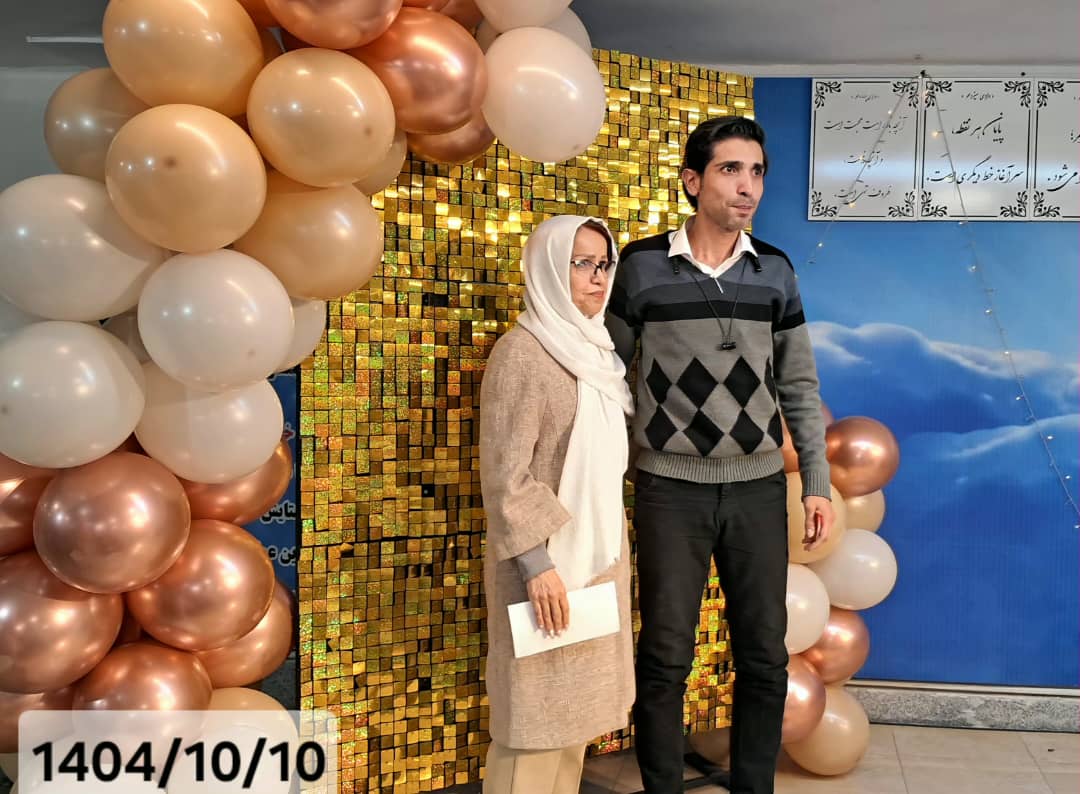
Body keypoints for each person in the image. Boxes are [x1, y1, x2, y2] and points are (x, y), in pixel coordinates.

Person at [605, 116, 836, 794]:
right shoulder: (641, 267)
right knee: (664, 655)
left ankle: (755, 787)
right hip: (668, 490)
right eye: (732, 169)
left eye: (757, 171)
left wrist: (814, 482)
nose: (748, 186)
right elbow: (605, 376)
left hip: (758, 489)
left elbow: (799, 385)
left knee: (764, 654)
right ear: (692, 180)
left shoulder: (775, 271)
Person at [479, 215, 636, 794]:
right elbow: (505, 475)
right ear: (547, 268)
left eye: (604, 264)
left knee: (574, 725)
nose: (597, 278)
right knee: (534, 728)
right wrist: (536, 565)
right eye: (581, 263)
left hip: (595, 559)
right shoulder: (523, 353)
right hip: (543, 566)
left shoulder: (598, 353)